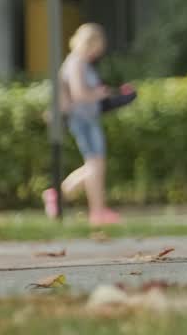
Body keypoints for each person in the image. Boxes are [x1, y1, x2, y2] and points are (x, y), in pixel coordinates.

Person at [42, 23, 129, 225]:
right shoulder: (76, 62)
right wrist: (101, 93)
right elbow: (80, 94)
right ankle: (91, 208)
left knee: (95, 166)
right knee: (95, 165)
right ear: (91, 42)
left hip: (88, 118)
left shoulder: (82, 63)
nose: (99, 51)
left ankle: (80, 203)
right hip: (82, 119)